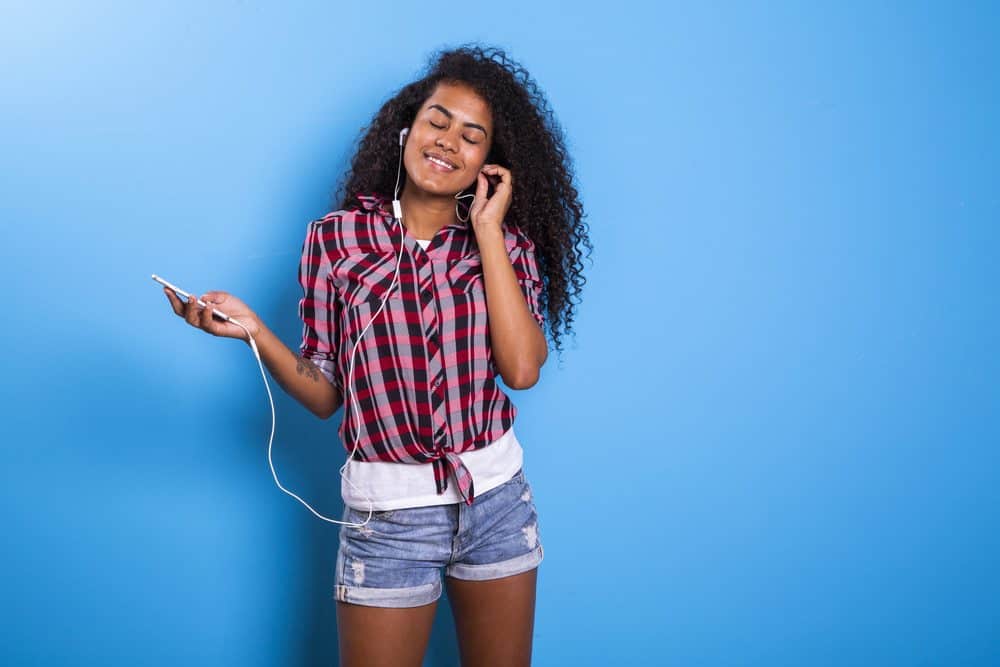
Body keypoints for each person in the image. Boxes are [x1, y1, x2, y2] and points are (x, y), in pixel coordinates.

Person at [163, 44, 588, 666]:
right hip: (387, 518)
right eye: (438, 120)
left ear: (487, 166)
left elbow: (523, 371)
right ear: (407, 129)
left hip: (495, 502)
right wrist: (256, 332)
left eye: (472, 137)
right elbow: (326, 391)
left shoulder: (504, 246)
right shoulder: (334, 241)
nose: (448, 141)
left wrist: (489, 230)